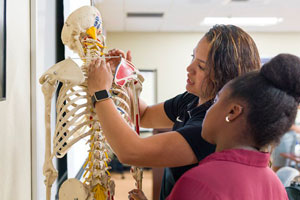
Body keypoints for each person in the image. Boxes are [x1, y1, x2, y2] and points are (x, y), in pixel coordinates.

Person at [87, 24, 261, 199]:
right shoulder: (191, 100)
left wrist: (100, 93)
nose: (189, 68)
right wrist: (119, 78)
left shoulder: (210, 127)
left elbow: (131, 152)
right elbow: (144, 115)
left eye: (201, 66)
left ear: (225, 78)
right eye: (193, 57)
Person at [129, 53, 300, 200]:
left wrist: (101, 93)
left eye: (216, 100)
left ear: (233, 112)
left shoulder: (200, 183)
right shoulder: (275, 185)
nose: (206, 107)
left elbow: (131, 151)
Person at [271, 106, 300, 172]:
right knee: (279, 165)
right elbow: (281, 122)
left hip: (292, 135)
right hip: (284, 136)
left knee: (287, 165)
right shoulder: (285, 101)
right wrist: (295, 128)